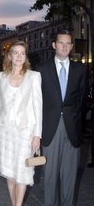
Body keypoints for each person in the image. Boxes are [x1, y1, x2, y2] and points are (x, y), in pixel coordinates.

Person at [37, 30, 87, 206]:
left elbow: (82, 100)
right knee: (50, 177)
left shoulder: (81, 70)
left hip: (72, 129)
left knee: (70, 177)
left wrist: (75, 121)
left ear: (72, 46)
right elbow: (37, 103)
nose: (65, 46)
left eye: (68, 43)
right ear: (54, 45)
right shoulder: (42, 70)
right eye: (61, 43)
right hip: (50, 129)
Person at [0, 40, 42, 206]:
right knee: (10, 172)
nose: (19, 56)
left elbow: (38, 107)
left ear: (25, 56)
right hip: (5, 131)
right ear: (9, 55)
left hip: (25, 131)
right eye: (15, 52)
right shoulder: (1, 77)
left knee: (22, 171)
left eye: (22, 53)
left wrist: (37, 135)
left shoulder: (33, 76)